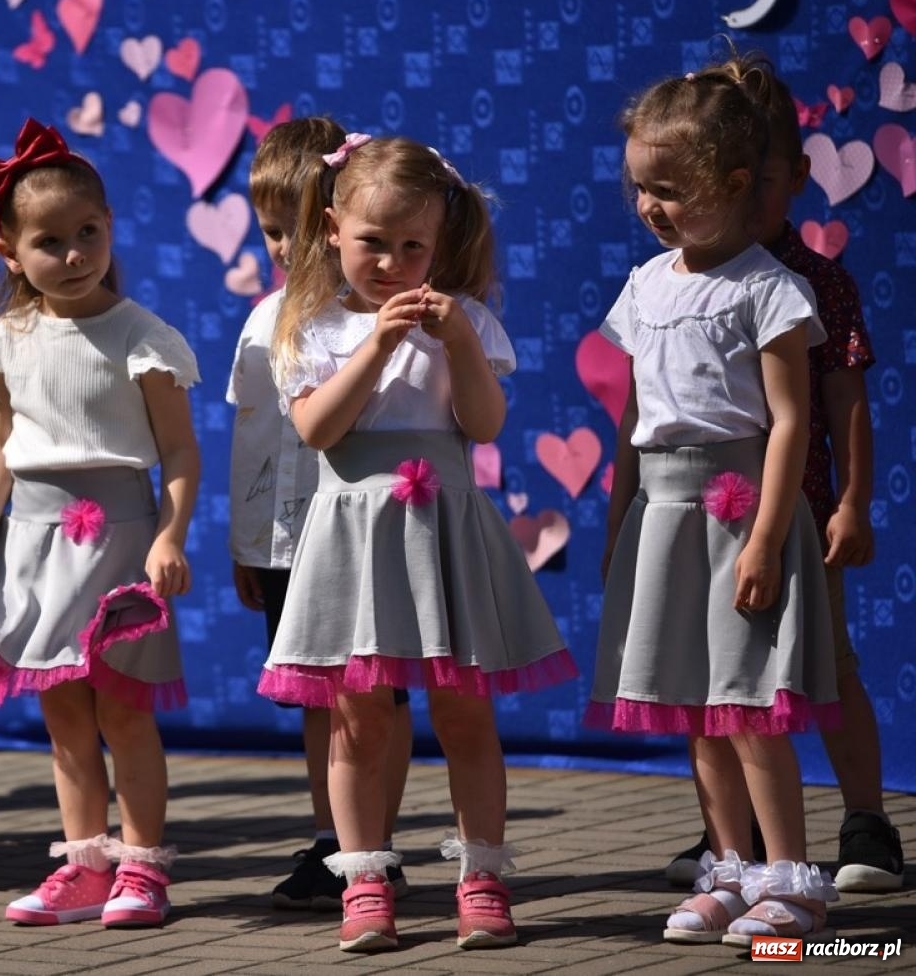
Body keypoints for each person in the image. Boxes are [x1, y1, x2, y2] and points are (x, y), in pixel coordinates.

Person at [262, 133, 576, 953]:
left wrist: (459, 341)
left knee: (465, 713)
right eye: (373, 241)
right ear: (332, 228)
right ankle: (364, 880)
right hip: (355, 540)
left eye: (413, 247)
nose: (392, 263)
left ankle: (482, 878)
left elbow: (483, 423)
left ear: (439, 244)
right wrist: (376, 344)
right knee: (358, 719)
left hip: (442, 533)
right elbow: (318, 429)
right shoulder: (312, 327)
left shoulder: (466, 321)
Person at [0, 118, 200, 928]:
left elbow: (179, 451)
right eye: (49, 242)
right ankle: (85, 865)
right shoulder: (4, 342)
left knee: (124, 711)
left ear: (109, 227)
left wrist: (170, 535)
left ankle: (142, 869)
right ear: (10, 253)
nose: (74, 255)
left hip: (120, 545)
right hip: (35, 546)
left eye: (87, 233)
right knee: (66, 716)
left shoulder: (143, 337)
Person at [590, 64, 841, 947]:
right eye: (640, 188)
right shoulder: (644, 285)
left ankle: (791, 883)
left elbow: (789, 422)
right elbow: (635, 418)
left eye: (670, 190)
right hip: (664, 518)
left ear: (735, 184)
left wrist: (766, 537)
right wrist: (620, 519)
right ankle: (729, 871)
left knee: (748, 706)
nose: (649, 206)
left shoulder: (768, 290)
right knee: (695, 709)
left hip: (740, 515)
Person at [658, 54, 903, 896]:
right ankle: (735, 837)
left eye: (760, 182)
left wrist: (852, 502)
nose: (742, 201)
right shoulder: (680, 282)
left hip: (795, 514)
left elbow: (844, 402)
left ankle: (866, 819)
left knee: (827, 665)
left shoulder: (816, 283)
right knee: (718, 681)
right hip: (706, 521)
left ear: (796, 177)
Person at [227, 117, 413, 910]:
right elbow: (251, 439)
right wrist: (246, 544)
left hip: (364, 537)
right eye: (270, 231)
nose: (283, 248)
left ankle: (378, 845)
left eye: (296, 229)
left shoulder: (379, 320)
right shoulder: (266, 319)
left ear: (336, 222)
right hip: (285, 544)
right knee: (317, 695)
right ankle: (333, 840)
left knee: (378, 695)